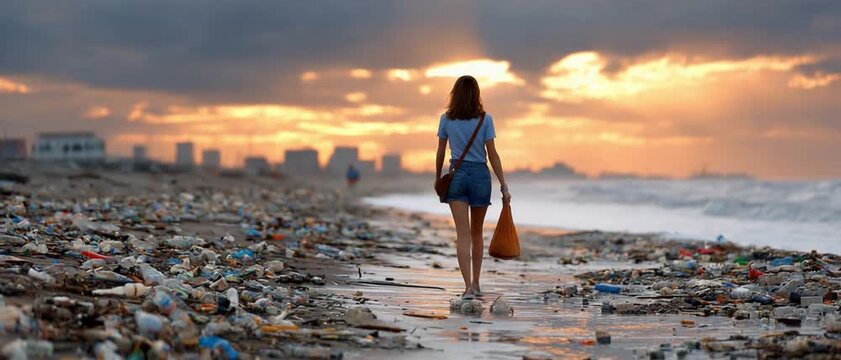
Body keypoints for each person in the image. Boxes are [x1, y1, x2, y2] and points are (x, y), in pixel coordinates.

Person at [435, 75, 511, 299]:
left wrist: (438, 176)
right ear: (476, 94)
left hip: (457, 175)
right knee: (477, 234)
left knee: (463, 235)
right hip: (480, 177)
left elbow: (440, 152)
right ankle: (477, 284)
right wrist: (504, 185)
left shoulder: (446, 119)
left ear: (455, 94)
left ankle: (467, 287)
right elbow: (493, 155)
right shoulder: (485, 120)